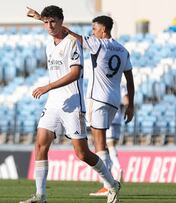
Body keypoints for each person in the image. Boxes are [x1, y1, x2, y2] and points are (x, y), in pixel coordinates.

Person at [22, 5, 120, 203]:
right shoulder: (50, 43)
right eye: (46, 22)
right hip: (53, 104)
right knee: (40, 144)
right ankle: (40, 196)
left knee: (82, 153)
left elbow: (75, 73)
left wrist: (48, 86)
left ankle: (112, 184)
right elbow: (48, 23)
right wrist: (39, 17)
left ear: (61, 21)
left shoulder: (72, 42)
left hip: (73, 103)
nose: (49, 26)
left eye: (53, 22)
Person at [62, 16, 135, 196]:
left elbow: (72, 36)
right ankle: (108, 182)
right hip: (114, 101)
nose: (92, 32)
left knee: (99, 143)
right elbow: (130, 80)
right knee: (100, 141)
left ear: (103, 30)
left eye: (94, 29)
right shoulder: (123, 50)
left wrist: (45, 20)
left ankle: (107, 184)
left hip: (98, 99)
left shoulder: (98, 44)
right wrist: (131, 104)